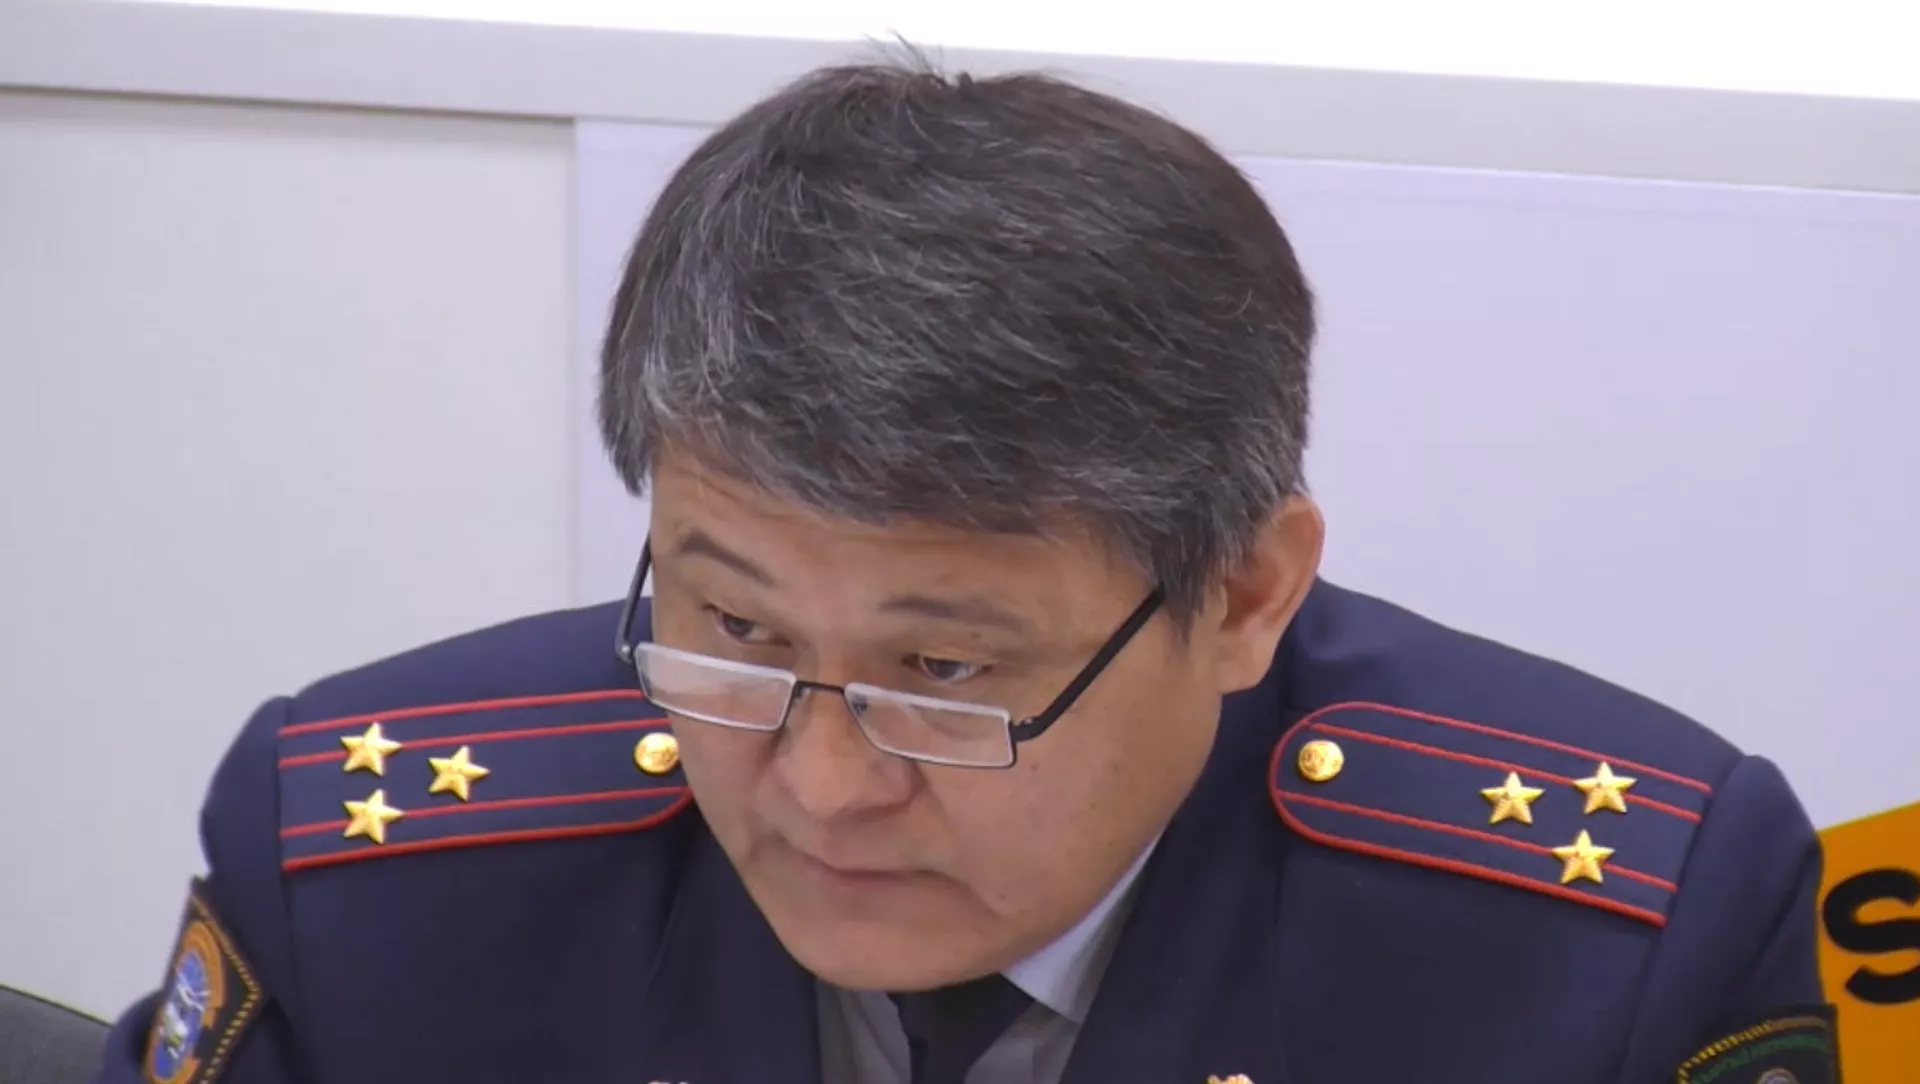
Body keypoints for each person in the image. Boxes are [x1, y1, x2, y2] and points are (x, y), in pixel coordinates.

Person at [95, 57, 1836, 1084]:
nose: (822, 784)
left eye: (944, 672)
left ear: (1244, 597)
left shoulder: (1600, 951)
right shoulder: (376, 882)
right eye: (734, 625)